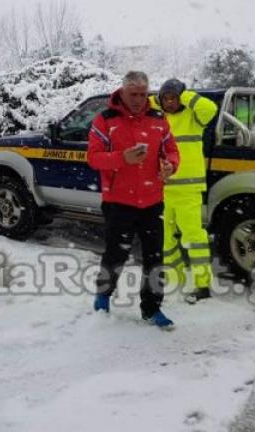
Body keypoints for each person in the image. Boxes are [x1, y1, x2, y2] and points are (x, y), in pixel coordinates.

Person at [87, 71, 180, 328]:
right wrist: (121, 158)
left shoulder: (158, 119)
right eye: (133, 94)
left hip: (152, 201)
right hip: (119, 202)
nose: (139, 99)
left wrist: (170, 166)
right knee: (115, 255)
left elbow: (171, 150)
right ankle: (103, 296)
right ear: (122, 92)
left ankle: (152, 308)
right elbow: (93, 157)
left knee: (155, 259)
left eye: (143, 94)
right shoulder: (105, 119)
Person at [150, 78, 219, 304]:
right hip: (163, 188)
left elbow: (209, 108)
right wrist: (158, 99)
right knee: (165, 240)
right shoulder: (159, 118)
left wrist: (184, 94)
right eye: (165, 98)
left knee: (194, 238)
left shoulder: (193, 117)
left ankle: (202, 284)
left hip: (188, 189)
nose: (169, 102)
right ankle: (175, 279)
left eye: (174, 98)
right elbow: (141, 104)